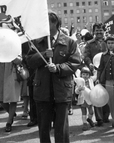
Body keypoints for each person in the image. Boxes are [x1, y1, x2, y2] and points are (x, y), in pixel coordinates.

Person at [26, 11, 81, 143]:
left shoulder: (69, 42)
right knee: (43, 127)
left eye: (46, 22)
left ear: (55, 23)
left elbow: (74, 63)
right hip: (43, 91)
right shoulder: (37, 42)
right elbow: (29, 61)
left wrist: (58, 68)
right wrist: (44, 54)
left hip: (61, 91)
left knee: (61, 127)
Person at [83, 22, 110, 126]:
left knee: (106, 93)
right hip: (95, 72)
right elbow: (86, 56)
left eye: (100, 30)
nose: (99, 32)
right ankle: (99, 118)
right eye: (97, 30)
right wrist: (89, 63)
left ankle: (106, 116)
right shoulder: (89, 43)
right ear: (93, 32)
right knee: (97, 94)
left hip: (107, 72)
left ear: (104, 31)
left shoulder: (108, 42)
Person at [0, 55, 23, 132]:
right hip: (0, 75)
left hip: (12, 74)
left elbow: (19, 60)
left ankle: (9, 122)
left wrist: (11, 56)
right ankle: (11, 113)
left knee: (13, 98)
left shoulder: (15, 45)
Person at [75, 67, 95, 131]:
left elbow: (93, 87)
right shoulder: (79, 82)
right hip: (82, 99)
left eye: (87, 74)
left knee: (91, 112)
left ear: (89, 75)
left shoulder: (90, 80)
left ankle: (89, 119)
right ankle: (84, 123)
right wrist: (79, 89)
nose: (85, 76)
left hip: (89, 98)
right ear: (81, 75)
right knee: (84, 112)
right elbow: (76, 91)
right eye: (83, 74)